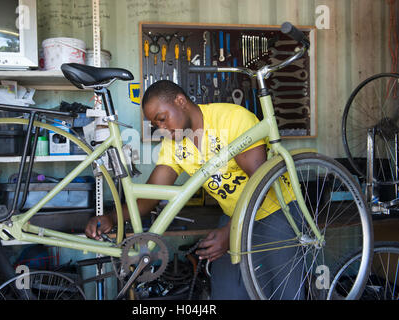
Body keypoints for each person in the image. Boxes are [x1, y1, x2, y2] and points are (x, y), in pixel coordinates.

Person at [85, 80, 303, 299]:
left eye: (162, 118)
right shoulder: (174, 142)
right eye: (155, 124)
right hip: (234, 216)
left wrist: (229, 232)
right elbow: (150, 196)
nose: (161, 128)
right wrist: (112, 218)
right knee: (227, 293)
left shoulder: (232, 119)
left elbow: (260, 183)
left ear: (180, 101)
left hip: (276, 213)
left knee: (283, 292)